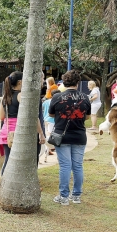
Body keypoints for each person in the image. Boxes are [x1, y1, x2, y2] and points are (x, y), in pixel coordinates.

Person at [49, 70, 91, 205]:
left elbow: (50, 115)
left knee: (65, 166)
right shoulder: (85, 97)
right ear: (78, 83)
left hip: (62, 136)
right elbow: (88, 116)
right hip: (79, 135)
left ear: (64, 82)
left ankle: (64, 196)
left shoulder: (57, 97)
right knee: (78, 166)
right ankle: (77, 195)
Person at [0, 71, 45, 176]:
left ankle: (4, 184)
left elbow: (2, 117)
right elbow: (33, 117)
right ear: (20, 82)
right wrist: (41, 133)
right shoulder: (22, 96)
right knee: (24, 161)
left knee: (8, 160)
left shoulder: (5, 97)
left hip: (6, 133)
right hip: (19, 132)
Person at [43, 89, 61, 154]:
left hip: (45, 119)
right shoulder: (58, 102)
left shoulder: (46, 102)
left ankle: (48, 149)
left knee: (46, 134)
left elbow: (42, 109)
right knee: (50, 135)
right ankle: (51, 147)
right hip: (52, 120)